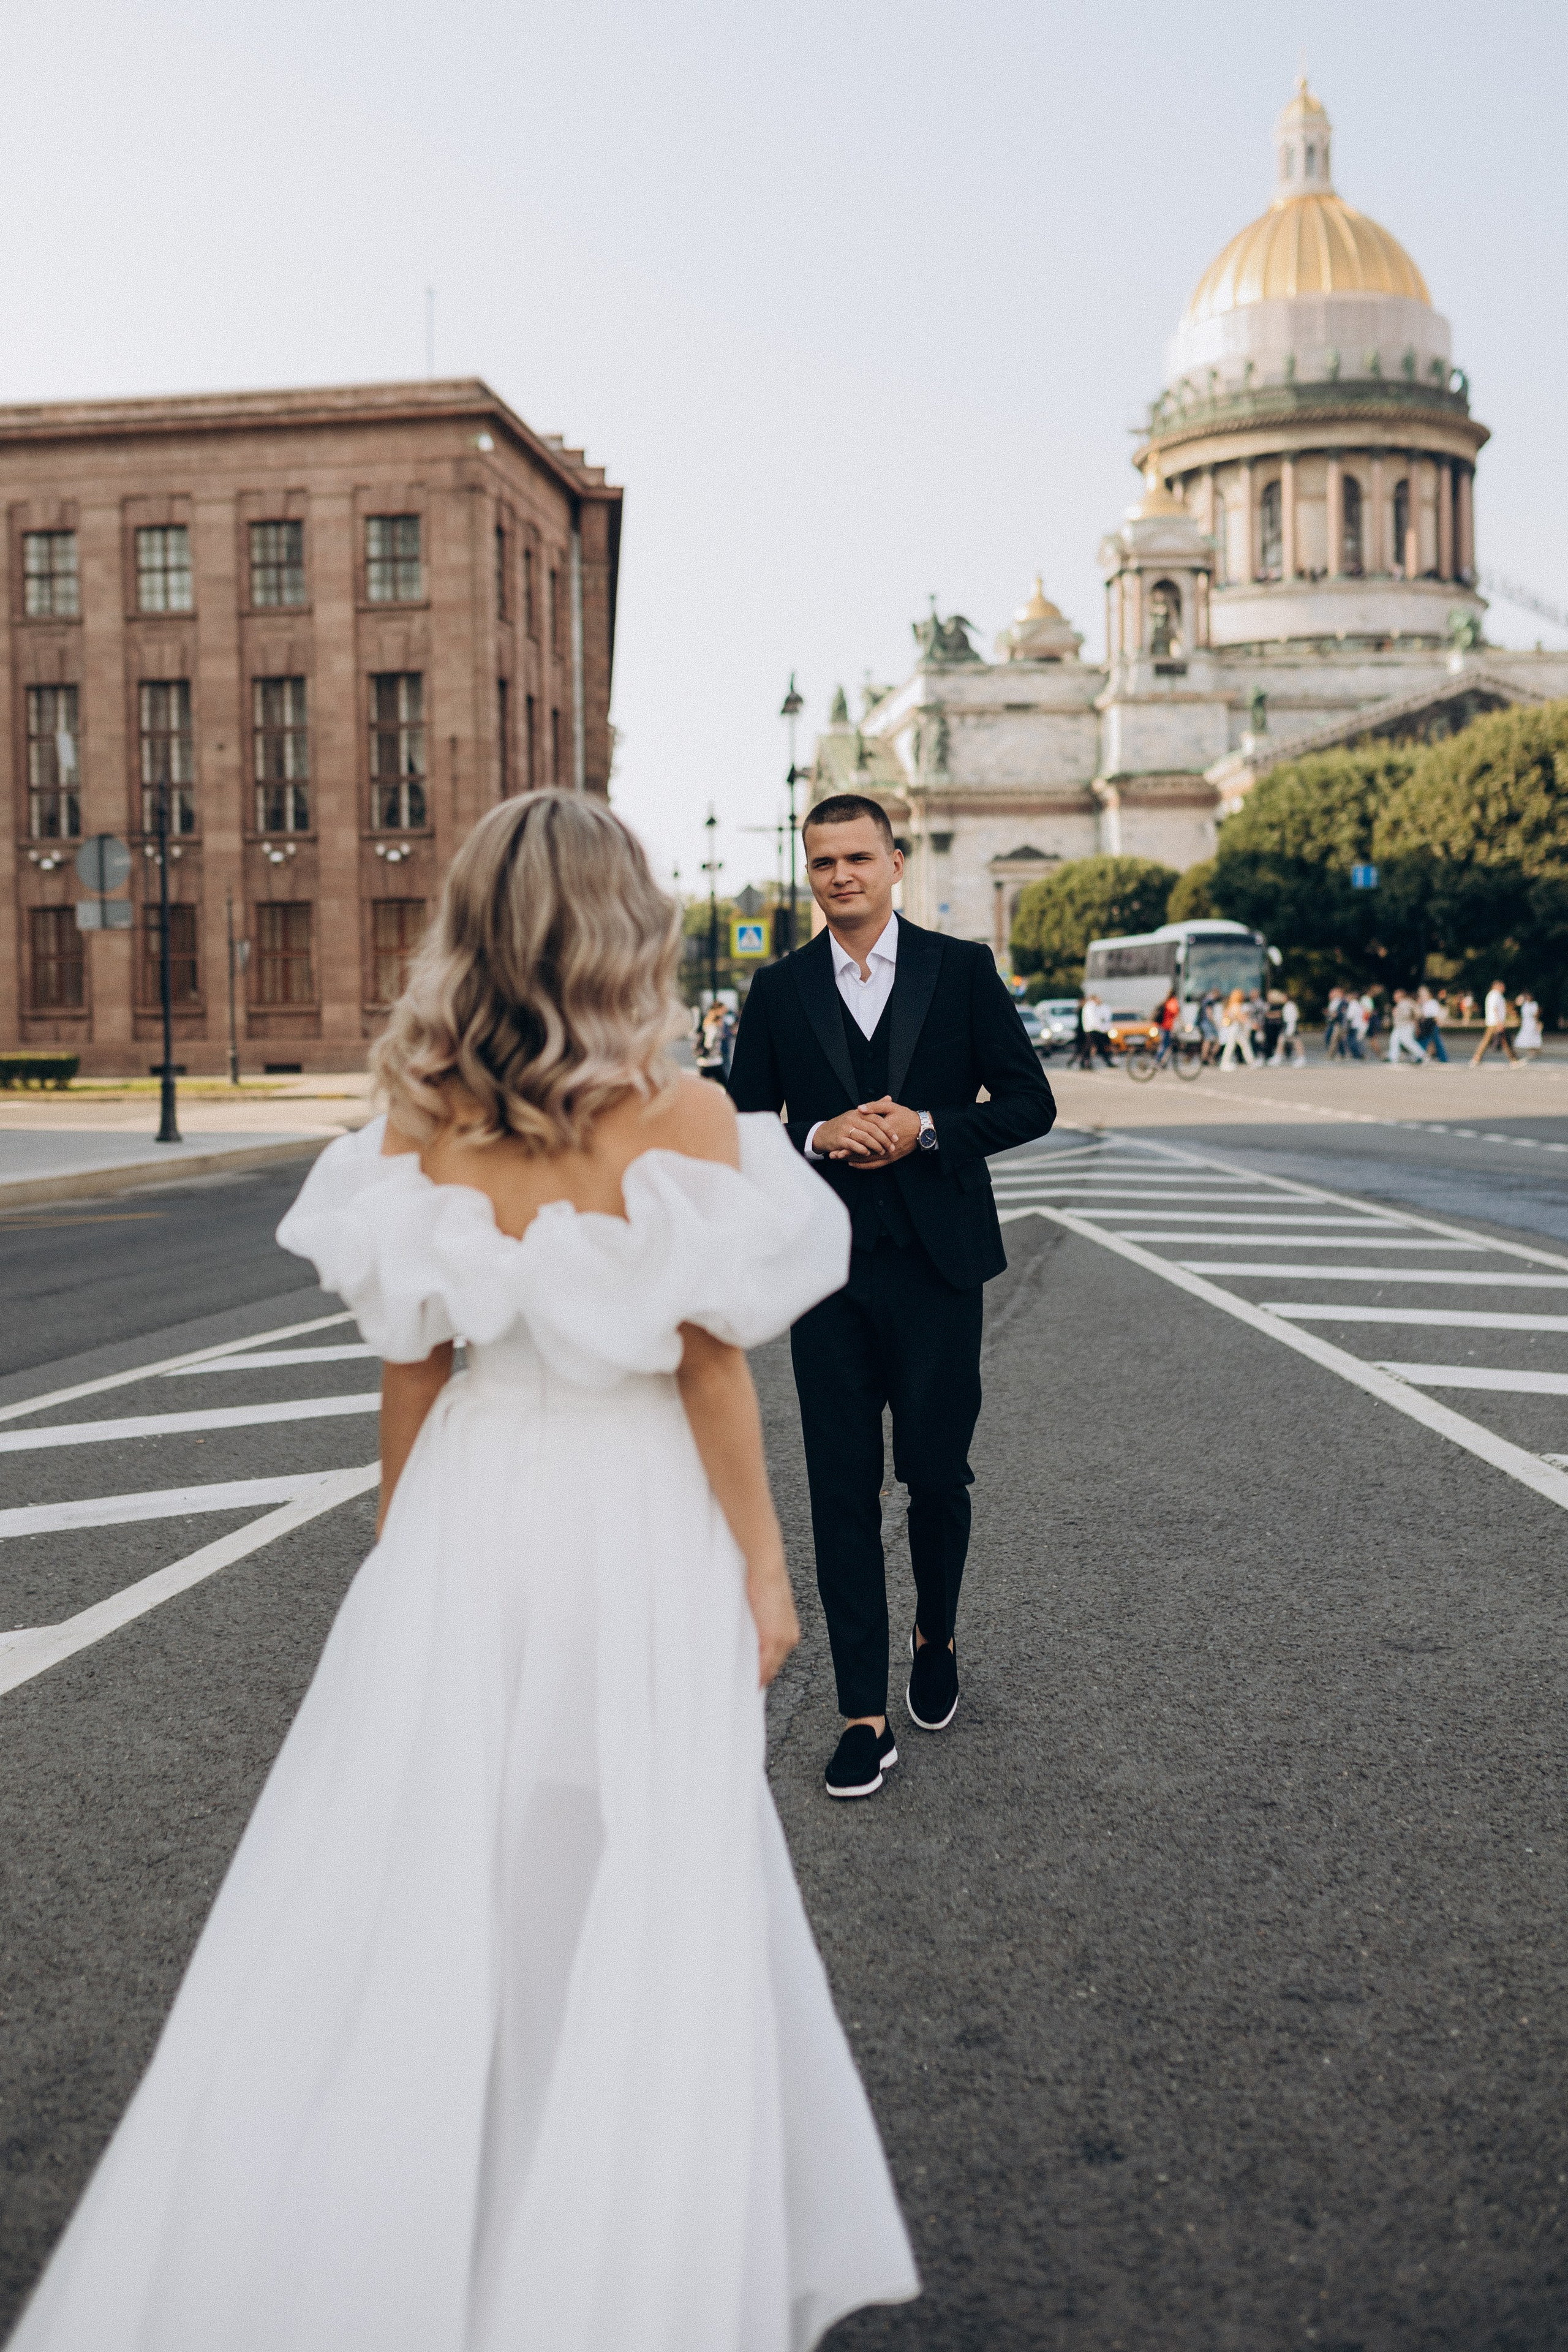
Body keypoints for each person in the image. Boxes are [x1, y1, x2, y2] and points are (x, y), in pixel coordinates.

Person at [9, 792, 918, 2351]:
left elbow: (409, 1369)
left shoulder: (419, 1119)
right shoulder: (685, 1117)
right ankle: (608, 2245)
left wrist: (396, 1541)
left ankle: (387, 2225)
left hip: (469, 1513)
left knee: (423, 1868)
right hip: (633, 1516)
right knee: (639, 1858)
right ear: (626, 926)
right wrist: (764, 1576)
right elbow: (708, 1375)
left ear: (473, 930)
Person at [727, 792, 1055, 1800]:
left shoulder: (962, 972)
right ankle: (863, 1717)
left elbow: (1031, 1104)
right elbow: (738, 1130)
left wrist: (925, 1129)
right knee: (840, 1492)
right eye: (823, 861)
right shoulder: (777, 989)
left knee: (936, 1473)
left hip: (938, 1270)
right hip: (824, 1275)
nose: (842, 877)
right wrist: (816, 1138)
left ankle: (938, 1631)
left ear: (896, 862)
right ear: (810, 872)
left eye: (859, 857)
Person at [1472, 978, 1519, 1065]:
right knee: (1488, 1040)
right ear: (1497, 986)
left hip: (1495, 1022)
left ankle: (1514, 1059)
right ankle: (1477, 1058)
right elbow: (1495, 1009)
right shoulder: (1495, 995)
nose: (1504, 988)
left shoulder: (1496, 995)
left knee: (1504, 1040)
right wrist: (1499, 1023)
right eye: (1502, 986)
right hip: (1494, 1022)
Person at [1386, 989, 1428, 1065]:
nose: (1394, 997)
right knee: (1394, 1040)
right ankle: (1393, 1058)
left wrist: (1397, 1012)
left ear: (1400, 996)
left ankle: (1423, 1056)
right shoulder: (1402, 1003)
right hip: (1400, 1026)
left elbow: (1409, 1014)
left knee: (1408, 1042)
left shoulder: (1404, 1003)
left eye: (1396, 995)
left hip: (1406, 1026)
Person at [1218, 987, 1256, 1068]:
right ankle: (1225, 1063)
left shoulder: (1232, 1005)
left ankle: (1251, 1062)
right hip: (1235, 1028)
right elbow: (1240, 1017)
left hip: (1236, 1028)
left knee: (1244, 1044)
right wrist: (1251, 1024)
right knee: (1232, 1045)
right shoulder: (1236, 1005)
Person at [1415, 985, 1449, 1063]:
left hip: (1431, 1024)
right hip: (1426, 1024)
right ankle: (1442, 1058)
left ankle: (1443, 1058)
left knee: (1433, 1042)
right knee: (1425, 1041)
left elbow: (1435, 1015)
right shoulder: (1425, 1003)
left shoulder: (1433, 1003)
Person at [1272, 991, 1305, 1067]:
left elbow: (1292, 1018)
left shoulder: (1290, 1005)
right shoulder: (1288, 1005)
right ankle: (1278, 1057)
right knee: (1282, 1041)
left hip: (1290, 1026)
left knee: (1296, 1042)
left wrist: (1290, 1029)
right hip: (1289, 1026)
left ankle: (1301, 1058)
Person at [1516, 991, 1544, 1058]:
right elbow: (1517, 1002)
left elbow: (1536, 1014)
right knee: (1526, 1034)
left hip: (1532, 1021)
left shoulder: (1534, 1004)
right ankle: (1530, 1049)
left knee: (1533, 1034)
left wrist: (1537, 1022)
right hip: (1526, 1022)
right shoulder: (1524, 1004)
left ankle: (1534, 1049)